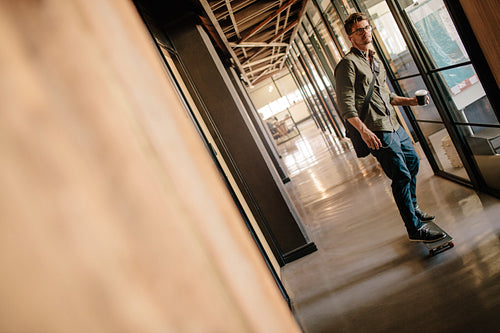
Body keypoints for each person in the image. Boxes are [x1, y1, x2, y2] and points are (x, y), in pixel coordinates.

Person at [334, 12, 445, 243]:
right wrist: (364, 131)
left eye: (367, 27)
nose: (366, 32)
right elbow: (345, 104)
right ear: (350, 37)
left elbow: (387, 95)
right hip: (377, 130)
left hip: (393, 124)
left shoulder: (374, 59)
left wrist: (412, 102)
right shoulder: (347, 64)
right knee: (401, 175)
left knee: (413, 162)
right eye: (359, 30)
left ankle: (413, 207)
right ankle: (414, 228)